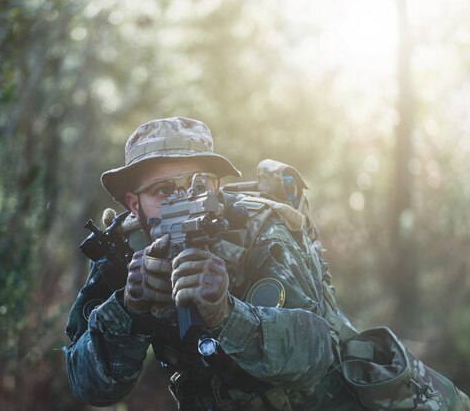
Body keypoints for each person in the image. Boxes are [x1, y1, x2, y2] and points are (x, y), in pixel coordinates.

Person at [64, 117, 469, 411]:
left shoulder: (262, 231)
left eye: (197, 184)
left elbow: (313, 353)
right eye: (162, 190)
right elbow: (91, 386)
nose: (181, 200)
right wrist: (128, 309)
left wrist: (225, 313)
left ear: (217, 186)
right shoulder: (124, 254)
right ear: (134, 203)